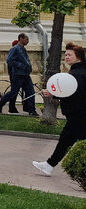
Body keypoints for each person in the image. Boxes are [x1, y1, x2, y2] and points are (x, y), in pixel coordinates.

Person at [33, 42, 86, 176]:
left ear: (78, 57)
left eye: (69, 55)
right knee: (66, 141)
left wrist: (53, 93)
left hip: (78, 114)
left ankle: (49, 165)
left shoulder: (77, 74)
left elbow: (75, 93)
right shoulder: (79, 71)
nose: (66, 57)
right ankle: (49, 165)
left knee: (65, 141)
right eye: (65, 55)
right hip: (79, 114)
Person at [0, 33, 38, 116]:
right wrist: (21, 66)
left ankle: (32, 110)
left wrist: (28, 67)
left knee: (31, 92)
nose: (28, 41)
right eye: (26, 39)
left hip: (25, 75)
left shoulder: (23, 49)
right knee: (14, 92)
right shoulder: (15, 49)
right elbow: (9, 60)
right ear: (21, 39)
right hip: (18, 75)